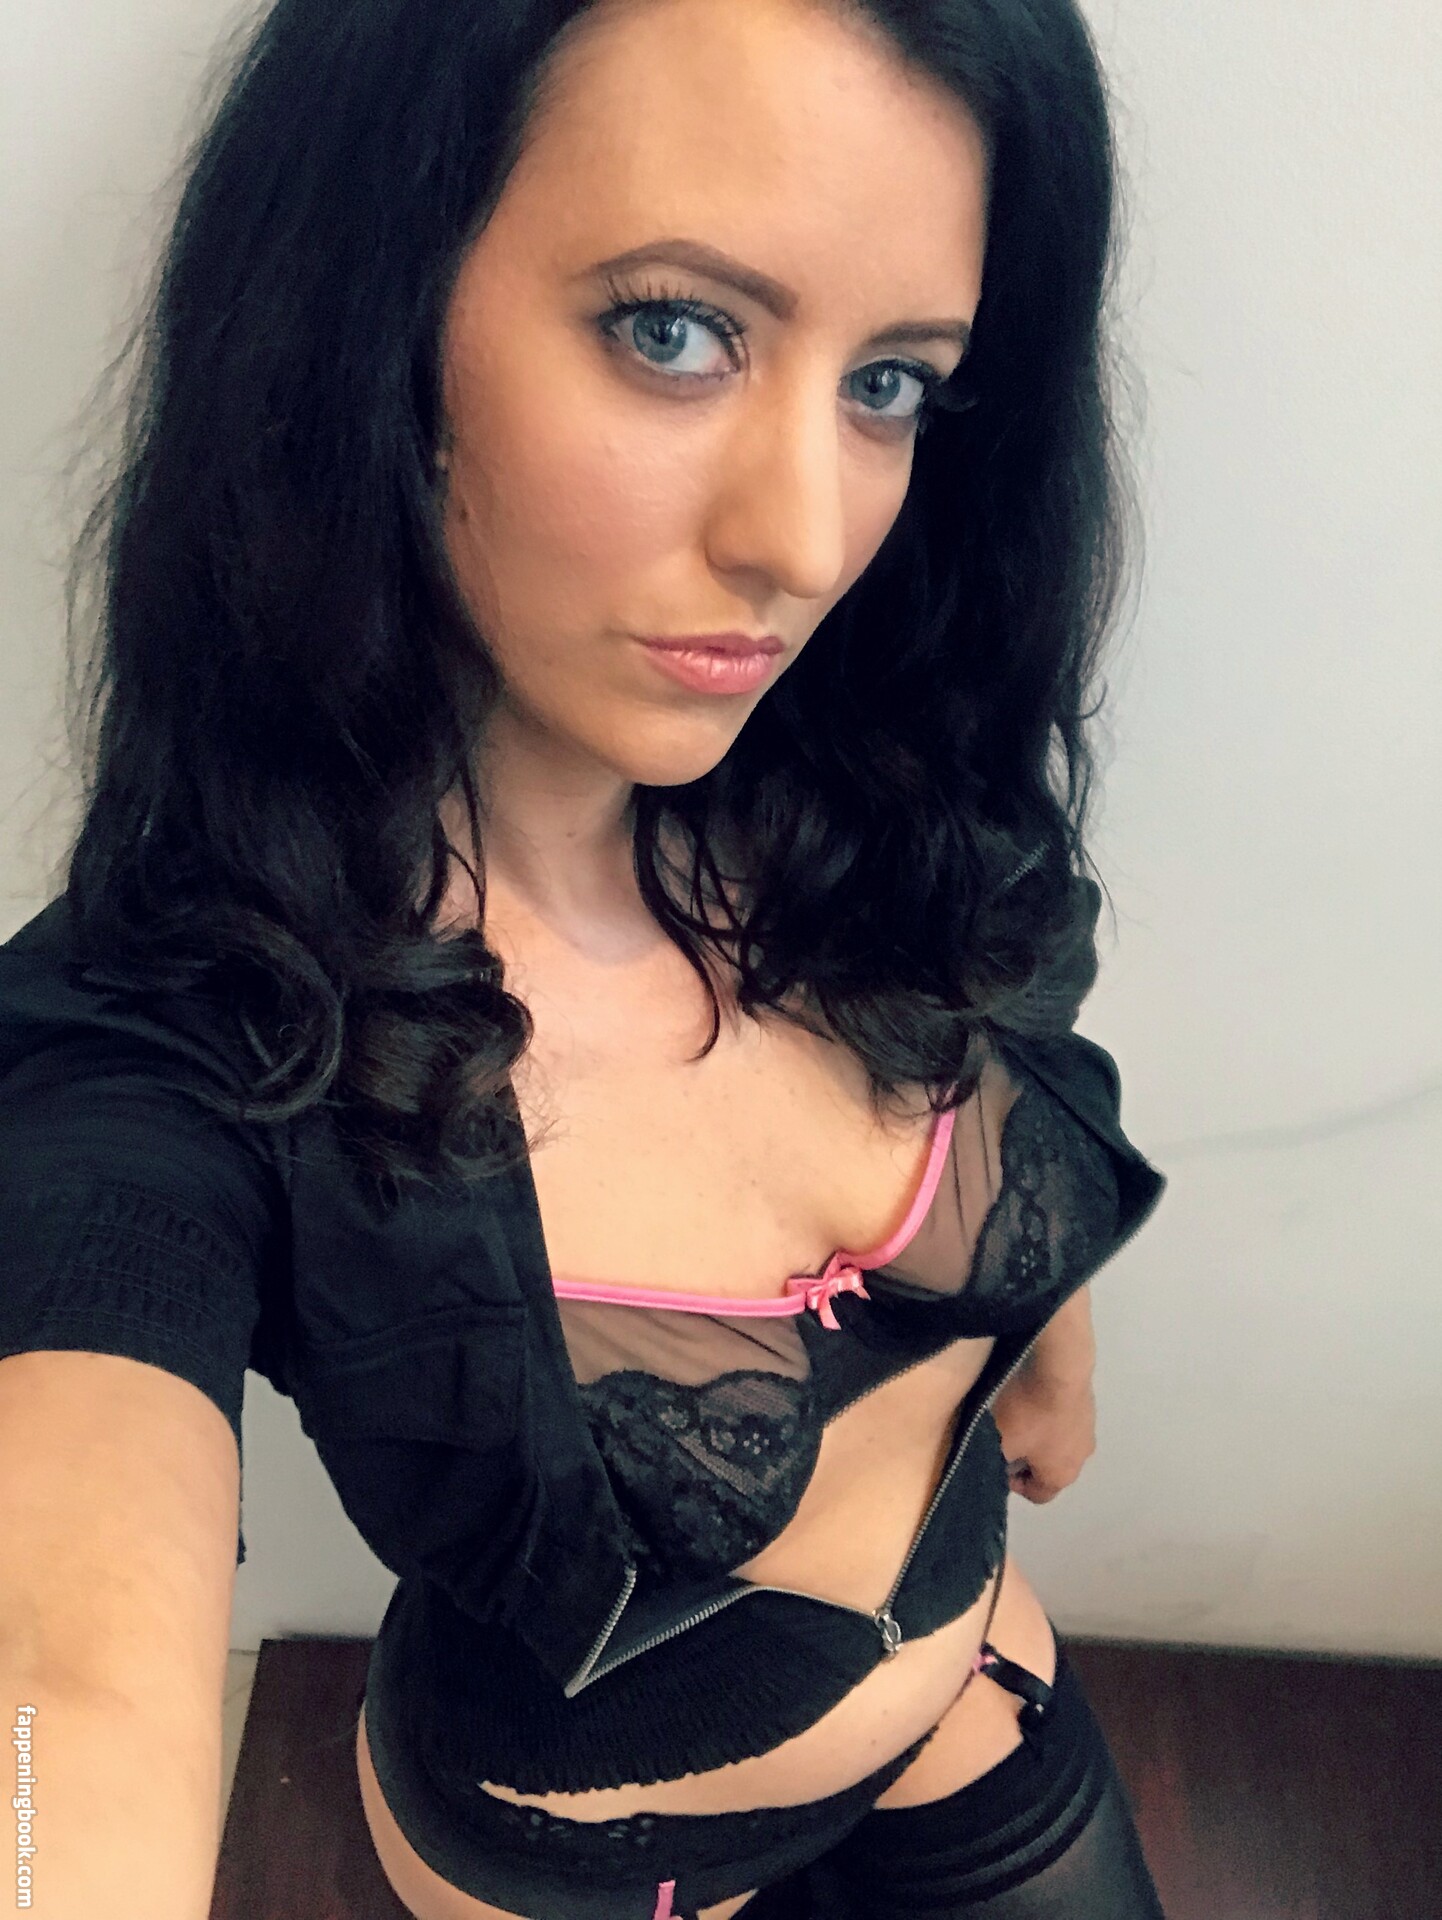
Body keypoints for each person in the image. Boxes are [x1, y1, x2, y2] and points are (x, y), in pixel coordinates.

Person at [0, 0, 1171, 1916]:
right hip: (604, 1855)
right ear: (373, 317)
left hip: (970, 1677)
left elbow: (1011, 1055)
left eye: (891, 383)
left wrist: (1041, 1332)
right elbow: (60, 1680)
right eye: (674, 331)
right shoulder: (186, 1035)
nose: (806, 540)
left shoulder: (899, 791)